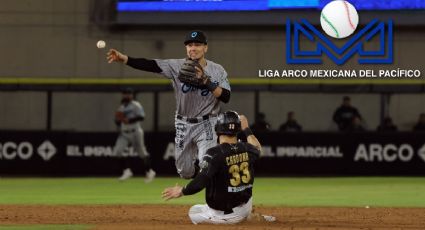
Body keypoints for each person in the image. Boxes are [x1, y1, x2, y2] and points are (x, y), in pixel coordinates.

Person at [107, 30, 231, 179]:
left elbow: (226, 96)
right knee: (185, 172)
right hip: (183, 123)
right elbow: (151, 65)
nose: (193, 48)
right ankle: (198, 175)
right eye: (189, 45)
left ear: (205, 48)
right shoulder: (176, 66)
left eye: (197, 44)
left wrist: (206, 82)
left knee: (208, 162)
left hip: (207, 122)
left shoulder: (217, 70)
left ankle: (212, 196)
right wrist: (124, 59)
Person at [162, 111, 274, 224]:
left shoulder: (214, 153)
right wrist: (246, 128)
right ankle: (246, 215)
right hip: (246, 205)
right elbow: (258, 148)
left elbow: (200, 182)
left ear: (217, 129)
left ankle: (241, 220)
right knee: (199, 207)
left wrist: (182, 191)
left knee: (193, 213)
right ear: (238, 129)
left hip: (226, 216)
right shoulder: (246, 148)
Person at [113, 88, 156, 182]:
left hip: (135, 132)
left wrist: (129, 120)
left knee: (142, 153)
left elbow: (142, 116)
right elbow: (117, 121)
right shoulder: (121, 107)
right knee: (117, 152)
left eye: (128, 94)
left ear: (131, 95)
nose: (126, 95)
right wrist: (118, 120)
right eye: (124, 94)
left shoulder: (136, 105)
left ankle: (150, 171)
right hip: (124, 133)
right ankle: (126, 171)